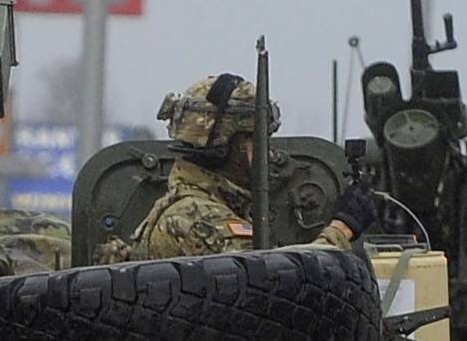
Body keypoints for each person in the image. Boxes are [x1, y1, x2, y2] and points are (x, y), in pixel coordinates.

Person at [103, 74, 365, 262]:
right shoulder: (194, 218)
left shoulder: (196, 203)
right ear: (230, 144)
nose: (267, 152)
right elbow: (280, 286)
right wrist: (342, 230)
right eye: (256, 139)